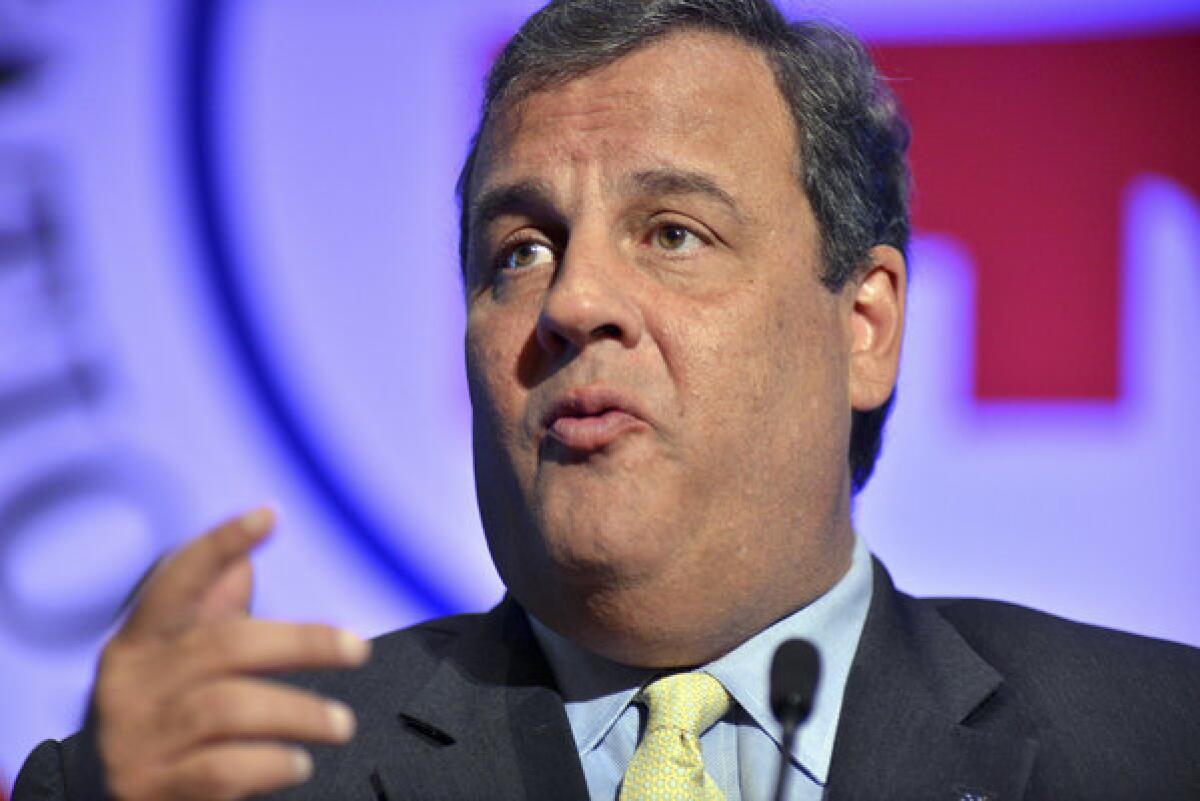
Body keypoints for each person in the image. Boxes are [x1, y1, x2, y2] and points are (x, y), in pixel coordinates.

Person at [14, 1, 1200, 799]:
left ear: (865, 328)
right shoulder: (230, 777)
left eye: (673, 233)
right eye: (520, 251)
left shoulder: (1156, 747)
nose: (573, 302)